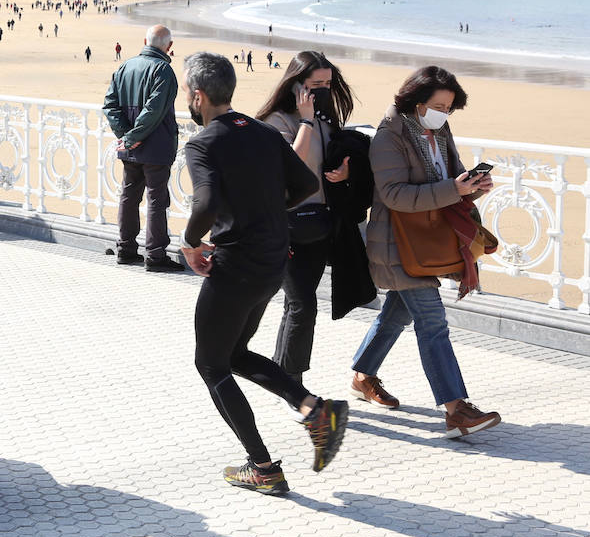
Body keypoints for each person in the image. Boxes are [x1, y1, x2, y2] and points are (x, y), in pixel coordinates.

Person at [179, 52, 349, 496]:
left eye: (185, 92)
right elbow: (307, 185)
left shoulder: (201, 144)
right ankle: (315, 410)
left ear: (198, 96)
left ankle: (263, 468)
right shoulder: (259, 131)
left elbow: (206, 202)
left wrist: (192, 243)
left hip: (235, 265)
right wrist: (268, 215)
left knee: (210, 364)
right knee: (234, 353)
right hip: (274, 260)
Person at [351, 66, 502, 437]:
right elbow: (395, 195)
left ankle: (362, 376)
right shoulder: (389, 136)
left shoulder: (440, 130)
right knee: (432, 322)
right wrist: (455, 188)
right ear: (417, 103)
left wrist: (474, 185)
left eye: (450, 108)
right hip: (397, 244)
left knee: (396, 315)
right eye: (439, 106)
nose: (444, 114)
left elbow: (453, 175)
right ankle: (456, 409)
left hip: (427, 241)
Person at [257, 51, 360, 382]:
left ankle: (282, 371)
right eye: (316, 84)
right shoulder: (276, 121)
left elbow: (327, 161)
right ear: (297, 84)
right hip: (284, 226)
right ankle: (293, 383)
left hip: (319, 224)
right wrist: (304, 119)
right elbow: (290, 163)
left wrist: (345, 173)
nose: (324, 91)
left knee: (297, 304)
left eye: (328, 84)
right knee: (304, 306)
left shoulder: (325, 120)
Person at [103, 25, 183, 271]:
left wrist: (126, 136)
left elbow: (110, 105)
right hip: (155, 145)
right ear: (169, 46)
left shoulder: (126, 66)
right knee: (156, 199)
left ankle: (126, 249)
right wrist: (131, 137)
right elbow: (154, 109)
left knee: (129, 196)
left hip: (131, 146)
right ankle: (156, 255)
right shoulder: (164, 70)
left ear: (145, 41)